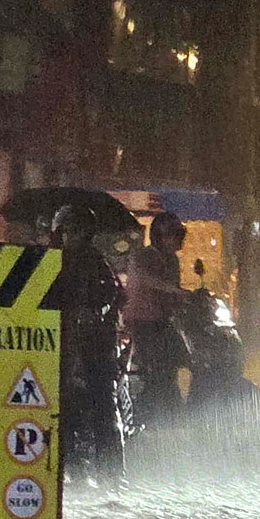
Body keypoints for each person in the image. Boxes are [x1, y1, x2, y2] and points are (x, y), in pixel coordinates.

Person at [54, 205, 126, 478]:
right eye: (66, 230)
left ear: (86, 233)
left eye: (75, 230)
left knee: (103, 407)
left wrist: (94, 313)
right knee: (64, 406)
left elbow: (112, 295)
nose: (70, 235)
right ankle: (69, 468)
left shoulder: (96, 262)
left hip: (96, 344)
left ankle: (112, 473)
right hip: (65, 342)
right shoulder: (55, 261)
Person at [122, 212, 189, 426]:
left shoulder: (172, 260)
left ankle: (172, 405)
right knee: (154, 366)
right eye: (173, 235)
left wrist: (188, 300)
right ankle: (148, 409)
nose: (177, 241)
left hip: (163, 320)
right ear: (160, 236)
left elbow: (175, 291)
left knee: (181, 357)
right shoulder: (142, 256)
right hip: (143, 321)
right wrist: (172, 290)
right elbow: (146, 278)